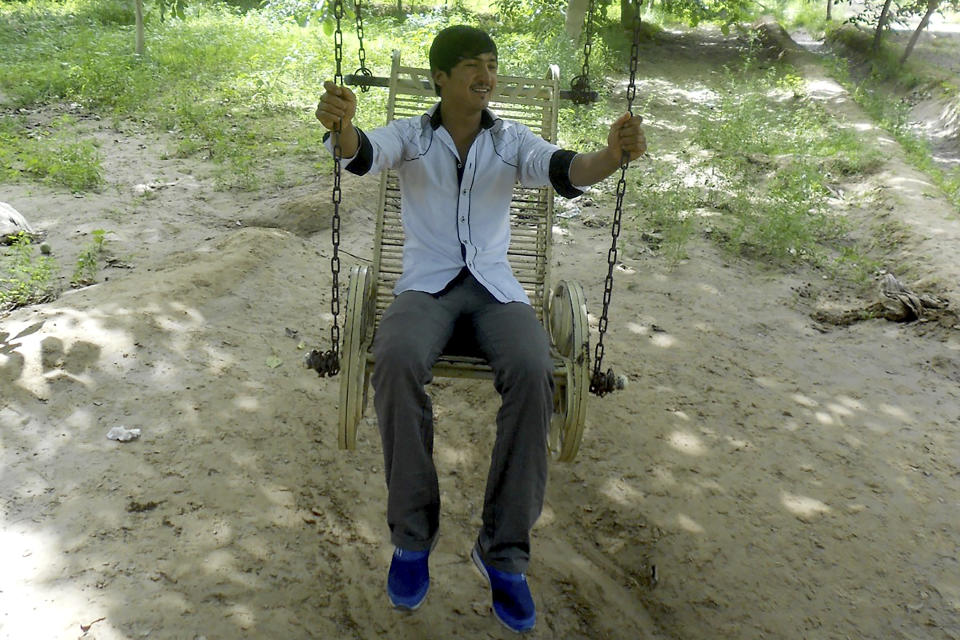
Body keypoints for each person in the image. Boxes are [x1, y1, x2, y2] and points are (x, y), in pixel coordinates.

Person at [316, 25, 646, 633]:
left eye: (491, 65)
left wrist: (612, 155)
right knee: (393, 358)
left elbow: (565, 169)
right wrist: (339, 126)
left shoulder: (510, 140)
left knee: (534, 370)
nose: (486, 77)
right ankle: (412, 540)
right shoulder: (411, 137)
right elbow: (361, 153)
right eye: (472, 66)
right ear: (440, 78)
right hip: (426, 288)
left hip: (497, 291)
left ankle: (504, 554)